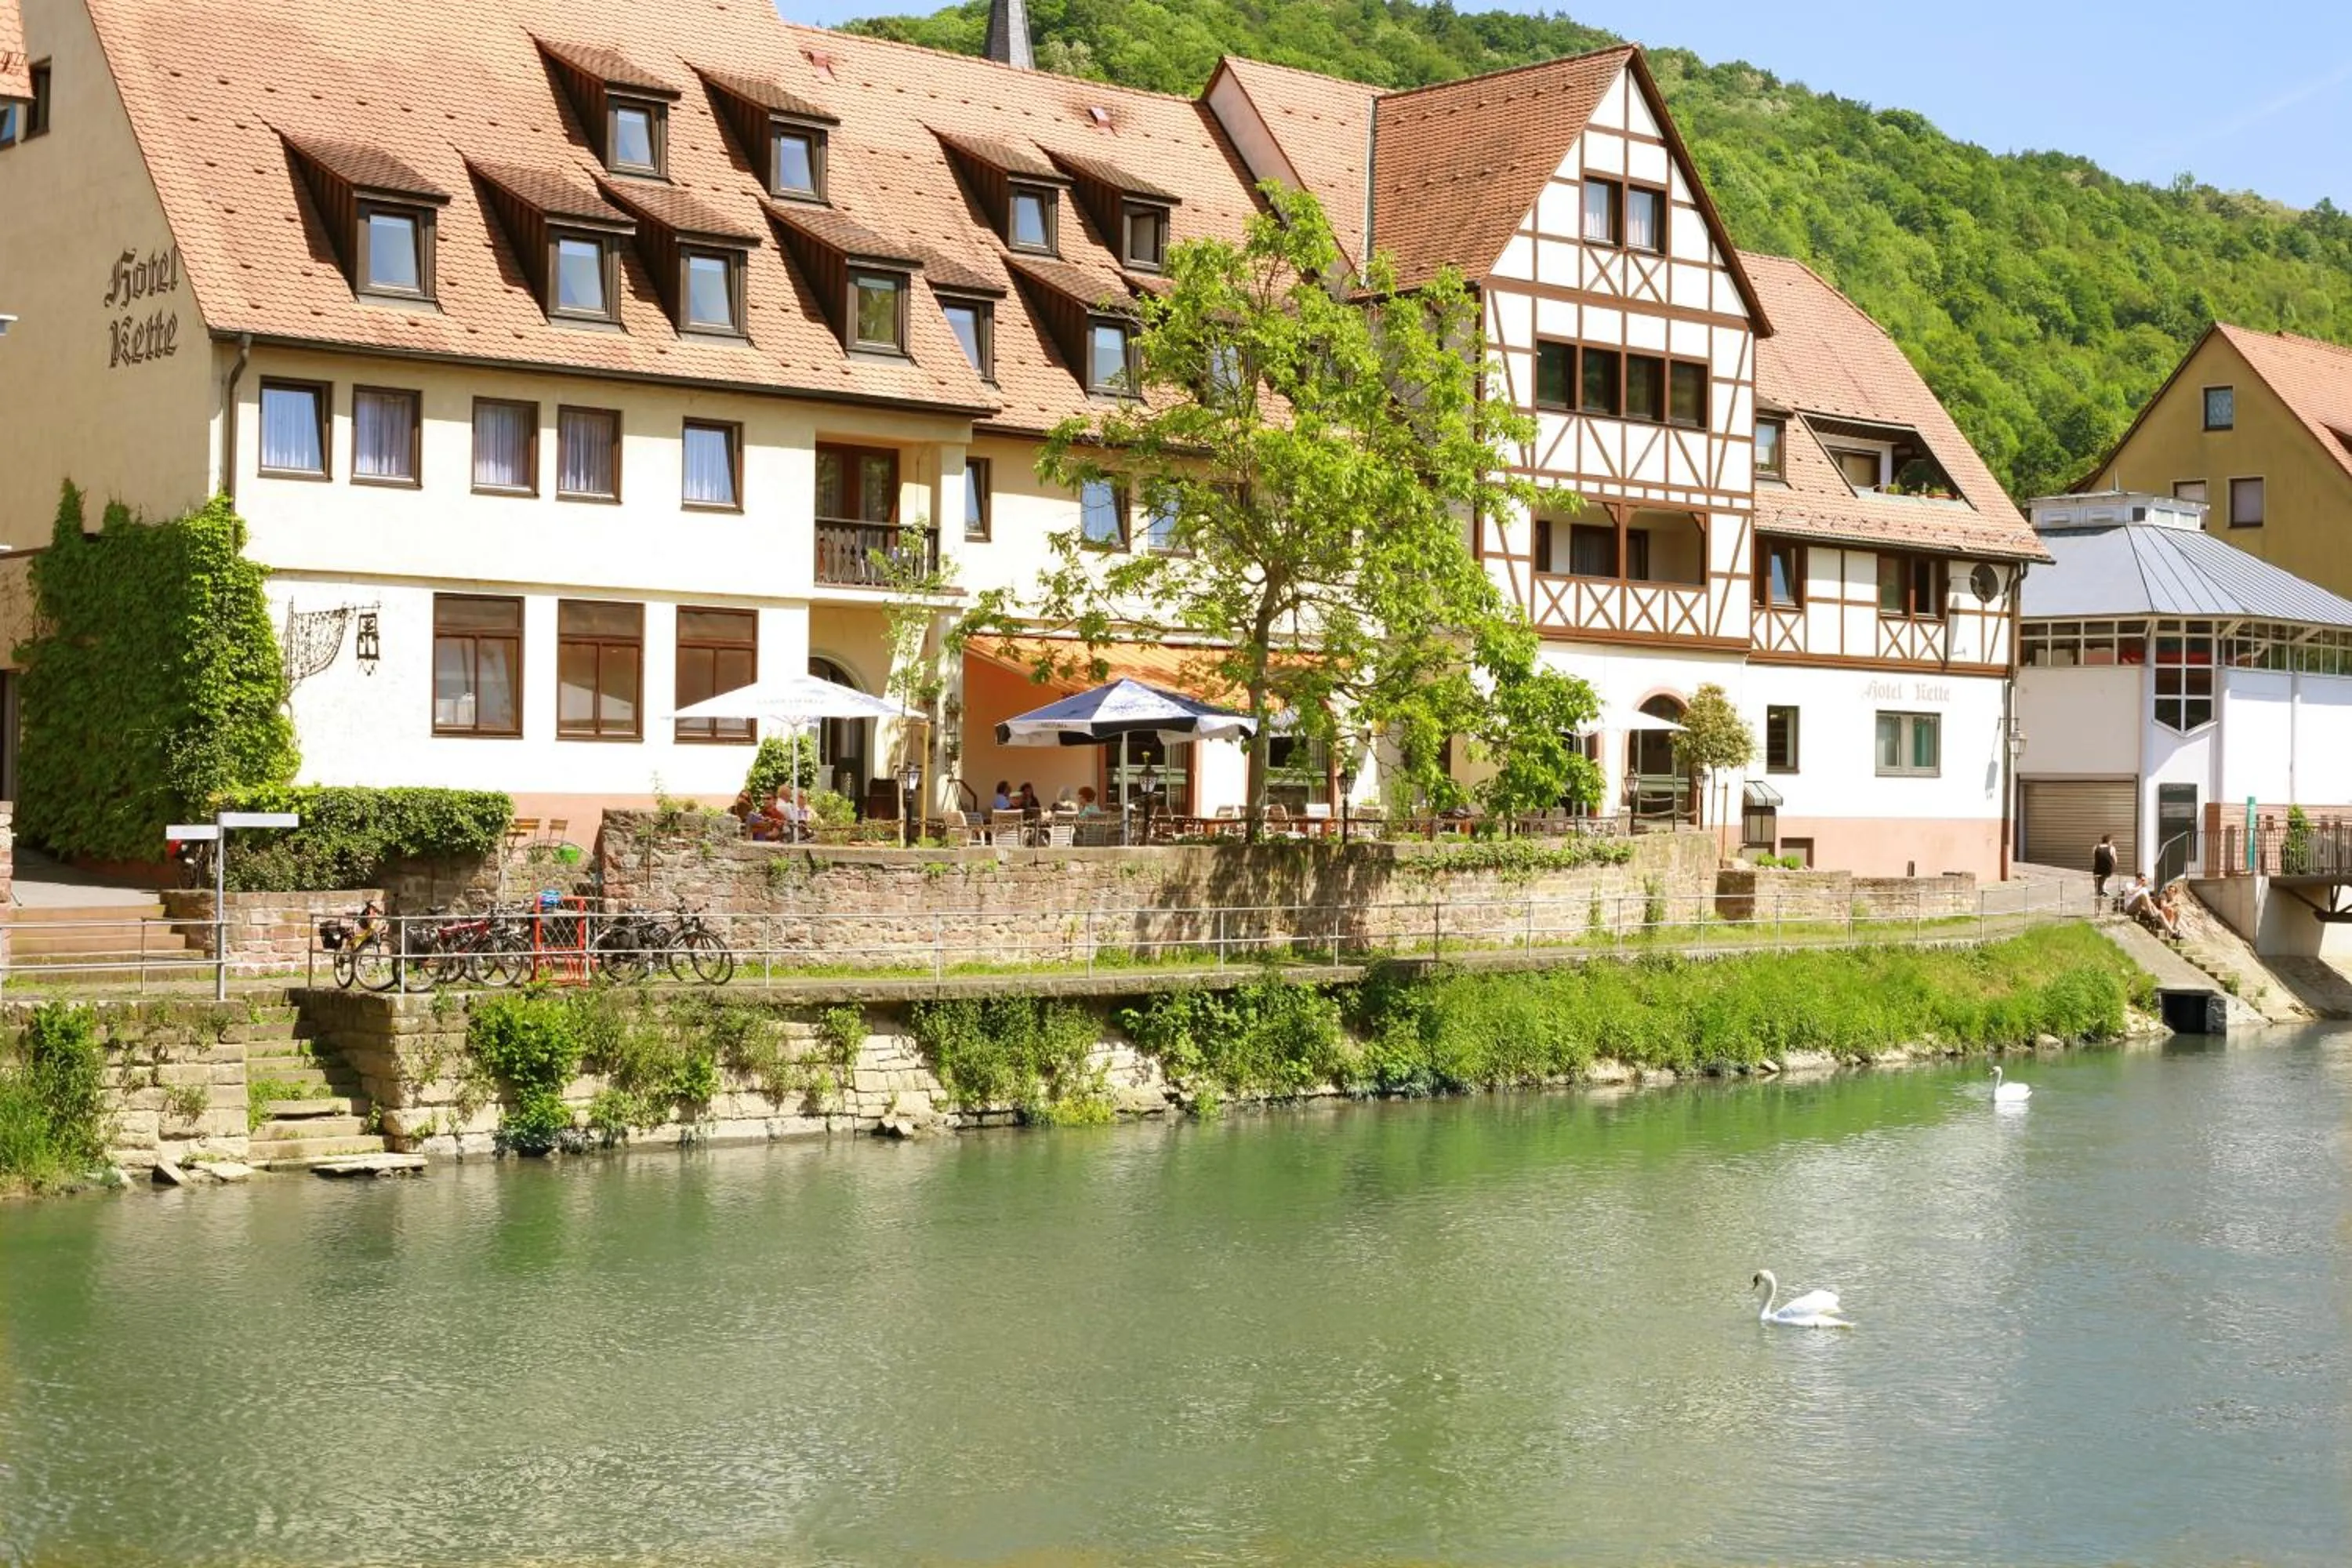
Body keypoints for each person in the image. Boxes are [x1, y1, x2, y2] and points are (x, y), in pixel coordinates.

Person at [2092, 833, 2117, 898]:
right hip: (2108, 869)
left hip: (2098, 869)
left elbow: (2094, 859)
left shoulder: (2096, 847)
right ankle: (2103, 890)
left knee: (2098, 879)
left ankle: (2100, 890)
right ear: (2109, 841)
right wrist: (2114, 867)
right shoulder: (2112, 848)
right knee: (2104, 877)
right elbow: (2115, 859)